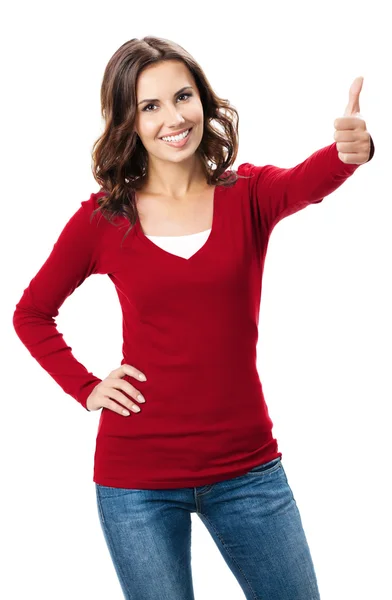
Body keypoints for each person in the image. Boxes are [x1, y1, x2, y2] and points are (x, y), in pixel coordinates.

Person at [13, 36, 374, 600]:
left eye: (182, 96)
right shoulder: (104, 220)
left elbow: (310, 180)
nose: (173, 117)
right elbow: (32, 313)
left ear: (203, 100)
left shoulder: (248, 194)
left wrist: (350, 152)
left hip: (249, 471)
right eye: (149, 106)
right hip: (136, 482)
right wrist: (86, 388)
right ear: (128, 122)